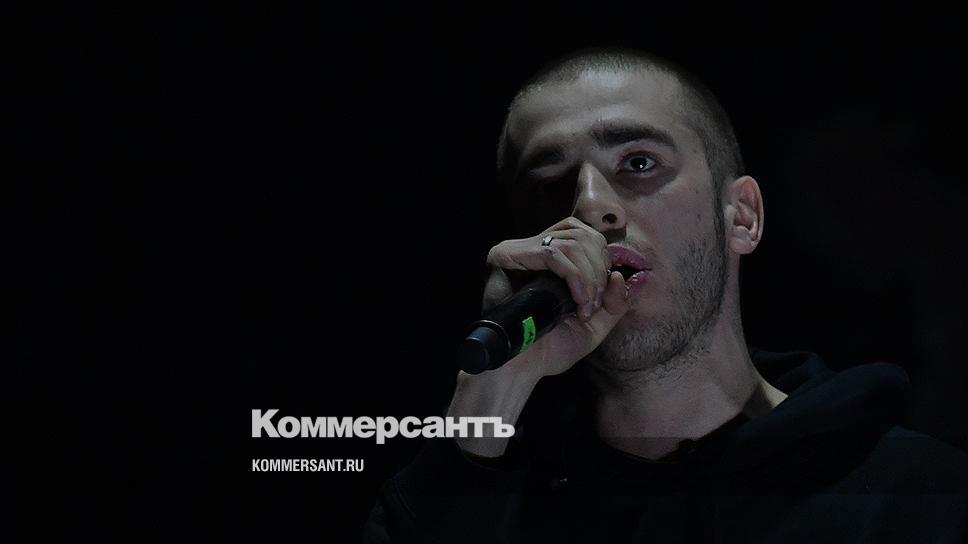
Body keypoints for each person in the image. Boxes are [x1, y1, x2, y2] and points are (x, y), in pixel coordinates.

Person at [363, 47, 968, 543]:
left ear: (742, 217)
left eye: (639, 163)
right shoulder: (470, 503)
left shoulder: (925, 498)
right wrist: (487, 399)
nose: (590, 206)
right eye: (550, 184)